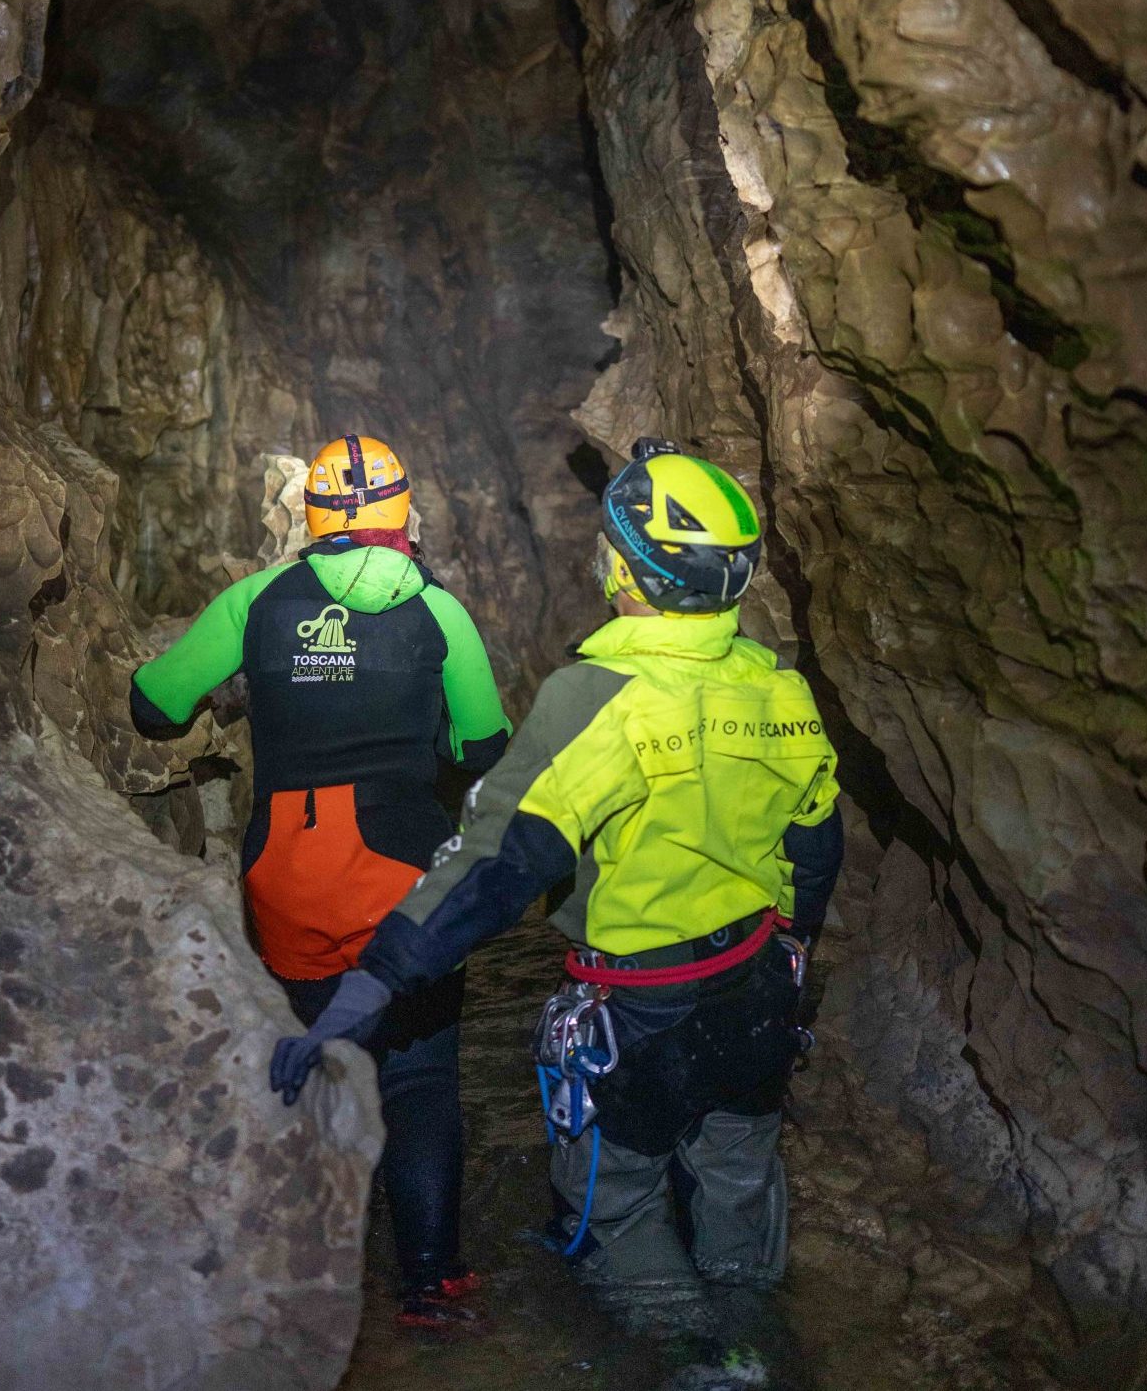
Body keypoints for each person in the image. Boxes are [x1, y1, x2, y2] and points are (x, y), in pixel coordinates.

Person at [272, 438, 844, 1323]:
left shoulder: (593, 699)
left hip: (640, 1011)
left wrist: (371, 983)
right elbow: (816, 850)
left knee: (617, 1202)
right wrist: (794, 950)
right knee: (738, 1179)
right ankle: (752, 1342)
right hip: (755, 991)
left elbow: (498, 866)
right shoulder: (781, 692)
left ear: (624, 569)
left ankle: (677, 1349)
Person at [130, 433, 510, 1326]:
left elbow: (155, 704)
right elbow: (484, 746)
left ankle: (300, 1273)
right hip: (405, 876)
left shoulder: (255, 602)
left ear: (312, 515)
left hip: (287, 877)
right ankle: (430, 1281)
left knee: (315, 1061)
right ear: (400, 515)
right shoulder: (438, 610)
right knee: (419, 1078)